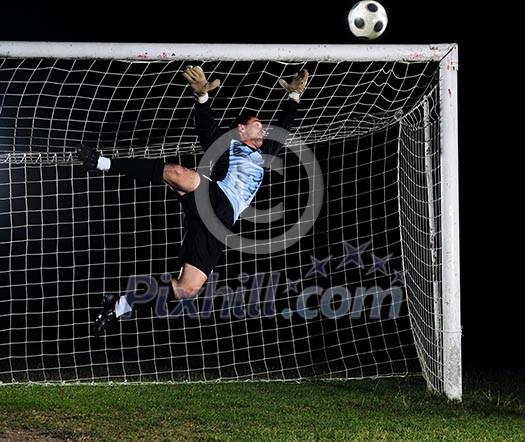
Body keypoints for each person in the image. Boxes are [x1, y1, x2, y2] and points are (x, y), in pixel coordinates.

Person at [77, 65, 308, 337]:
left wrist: (293, 96)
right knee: (177, 173)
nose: (263, 131)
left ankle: (119, 305)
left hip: (222, 221)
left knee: (187, 289)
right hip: (214, 193)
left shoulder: (266, 152)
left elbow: (284, 125)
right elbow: (206, 127)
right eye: (257, 125)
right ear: (241, 129)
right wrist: (202, 98)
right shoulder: (227, 144)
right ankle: (102, 163)